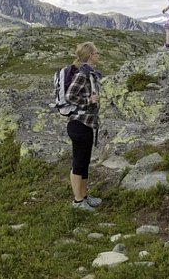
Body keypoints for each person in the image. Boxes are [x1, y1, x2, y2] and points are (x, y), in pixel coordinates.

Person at [65, 42, 103, 212]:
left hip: (87, 124)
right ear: (89, 55)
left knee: (85, 162)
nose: (98, 55)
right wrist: (89, 101)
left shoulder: (91, 73)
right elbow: (70, 95)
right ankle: (78, 201)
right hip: (78, 124)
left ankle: (85, 196)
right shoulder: (82, 74)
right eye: (96, 52)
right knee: (78, 162)